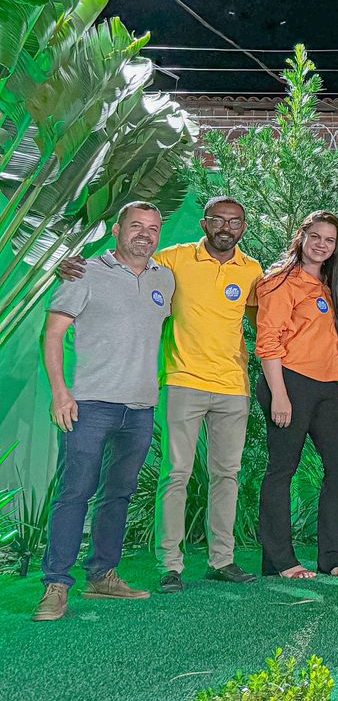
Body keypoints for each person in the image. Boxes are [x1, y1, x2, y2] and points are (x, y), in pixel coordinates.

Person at [55, 196, 264, 592]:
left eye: (235, 221)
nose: (226, 227)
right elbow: (127, 261)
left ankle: (222, 559)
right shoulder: (172, 260)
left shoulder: (252, 270)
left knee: (227, 475)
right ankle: (170, 564)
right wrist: (68, 265)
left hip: (233, 386)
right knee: (176, 474)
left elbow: (262, 321)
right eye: (218, 219)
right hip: (183, 381)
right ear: (204, 223)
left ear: (243, 227)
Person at [34, 203, 175, 621]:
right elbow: (52, 334)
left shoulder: (164, 278)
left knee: (118, 494)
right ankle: (56, 585)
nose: (145, 234)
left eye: (153, 228)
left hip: (140, 408)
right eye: (136, 226)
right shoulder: (85, 273)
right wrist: (60, 393)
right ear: (117, 230)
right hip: (89, 404)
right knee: (74, 493)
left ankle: (102, 575)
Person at [255, 211, 338, 579]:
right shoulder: (280, 282)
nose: (321, 245)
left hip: (328, 388)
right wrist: (279, 395)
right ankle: (280, 560)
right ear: (302, 237)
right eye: (315, 236)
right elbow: (268, 341)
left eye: (329, 240)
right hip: (289, 383)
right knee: (282, 469)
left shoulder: (329, 286)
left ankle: (331, 556)